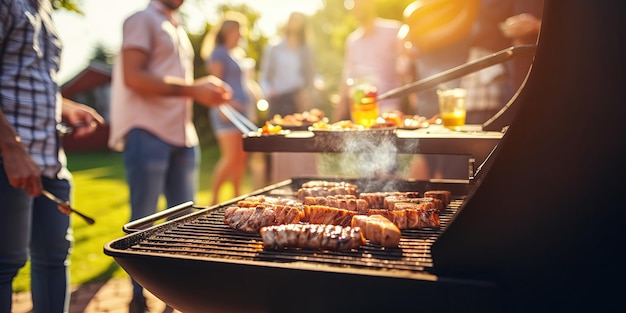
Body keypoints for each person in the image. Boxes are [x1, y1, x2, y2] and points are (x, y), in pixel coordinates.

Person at [107, 0, 232, 311]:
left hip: (183, 135)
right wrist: (194, 89)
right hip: (147, 131)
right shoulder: (141, 20)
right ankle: (138, 295)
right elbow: (133, 77)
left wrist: (203, 94)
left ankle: (177, 298)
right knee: (144, 220)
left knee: (184, 222)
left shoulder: (176, 28)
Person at [0, 1, 105, 312]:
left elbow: (29, 80)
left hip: (50, 160)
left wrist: (65, 106)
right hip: (9, 158)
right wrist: (10, 147)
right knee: (5, 264)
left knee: (54, 257)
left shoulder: (44, 7)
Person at [200, 12, 252, 205]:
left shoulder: (235, 54)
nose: (241, 35)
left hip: (241, 113)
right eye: (239, 31)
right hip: (226, 112)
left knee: (240, 157)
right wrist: (224, 105)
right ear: (229, 31)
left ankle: (237, 197)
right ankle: (213, 201)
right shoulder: (219, 53)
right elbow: (216, 83)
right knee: (230, 157)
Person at [332, 0, 405, 122]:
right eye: (354, 4)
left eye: (361, 3)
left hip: (390, 109)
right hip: (362, 112)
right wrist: (338, 114)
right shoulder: (353, 41)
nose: (357, 7)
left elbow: (406, 66)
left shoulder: (394, 31)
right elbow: (347, 76)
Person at [259, 11, 316, 118]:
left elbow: (312, 73)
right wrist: (268, 91)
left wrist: (315, 85)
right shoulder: (274, 48)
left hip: (300, 98)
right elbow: (265, 75)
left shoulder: (306, 49)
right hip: (279, 98)